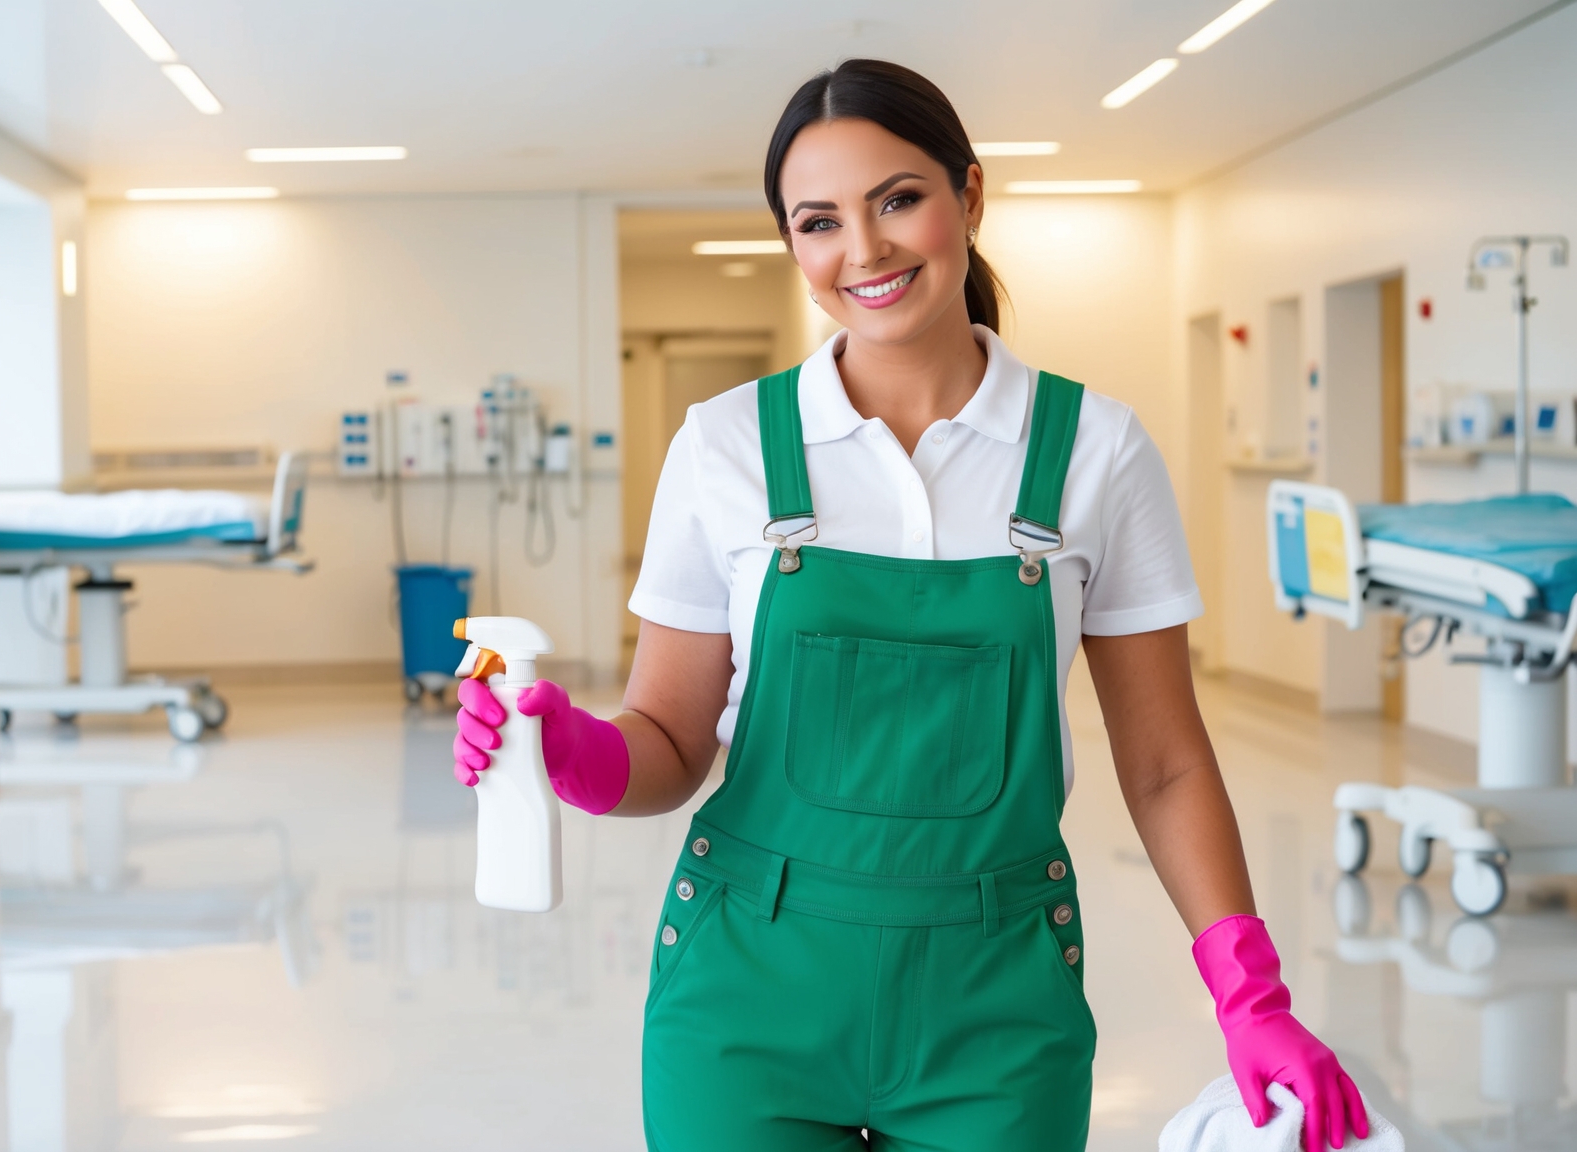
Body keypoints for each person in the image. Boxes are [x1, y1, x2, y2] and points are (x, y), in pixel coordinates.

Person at [453, 58, 1367, 1152]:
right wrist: (575, 754)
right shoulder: (725, 446)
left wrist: (1249, 997)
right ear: (793, 246)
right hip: (750, 996)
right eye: (820, 221)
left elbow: (1165, 762)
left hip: (996, 1006)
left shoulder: (1094, 452)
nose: (866, 251)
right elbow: (672, 738)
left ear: (968, 197)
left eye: (899, 200)